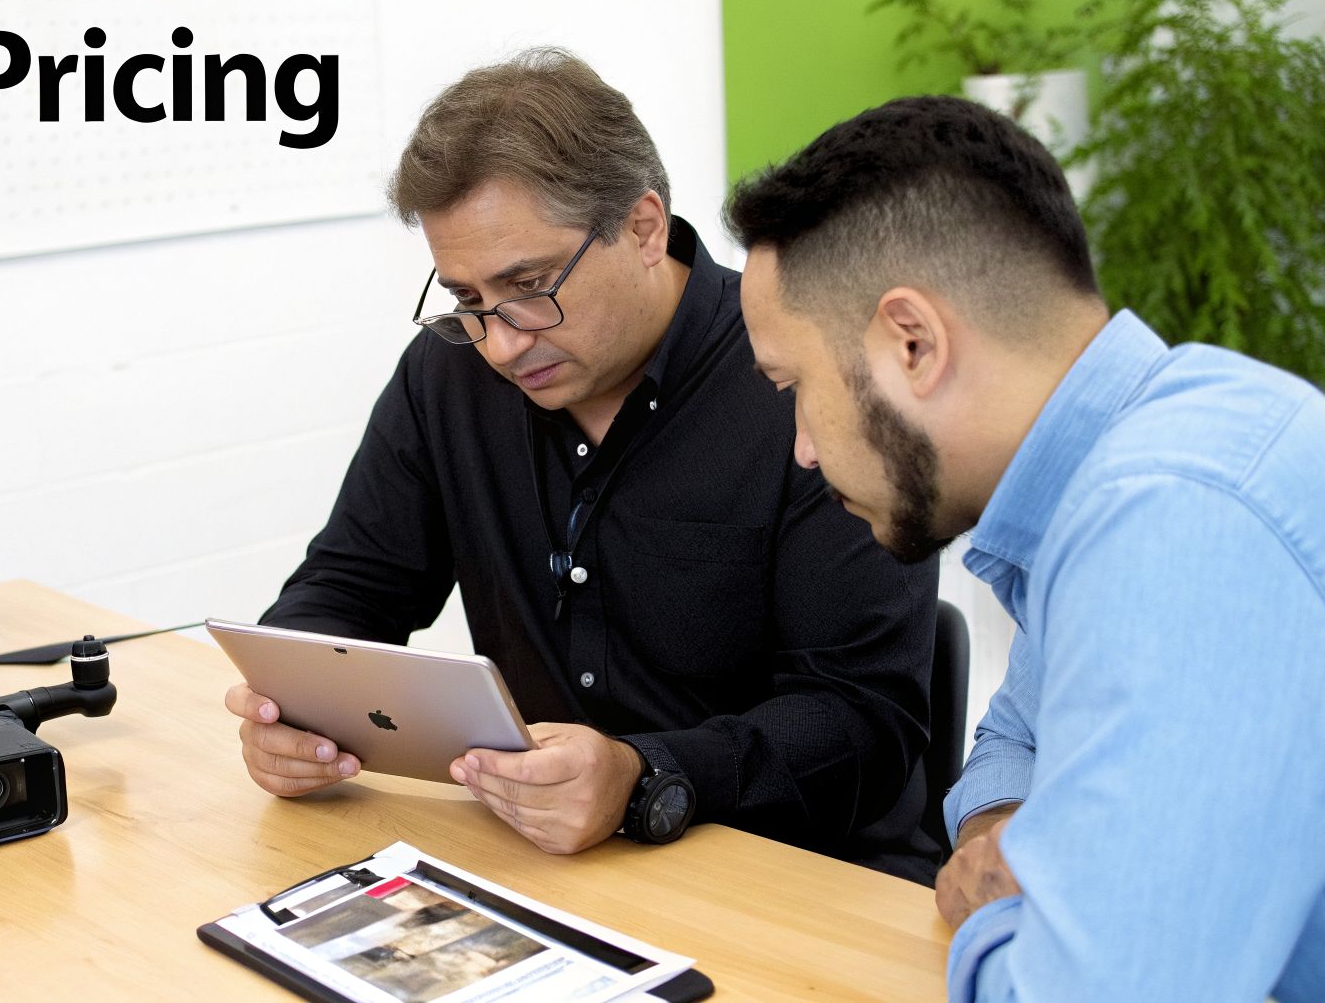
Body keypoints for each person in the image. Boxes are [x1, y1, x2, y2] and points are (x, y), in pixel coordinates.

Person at [222, 48, 942, 881]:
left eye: (528, 285)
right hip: (551, 866)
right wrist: (290, 710)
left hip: (800, 876)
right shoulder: (447, 376)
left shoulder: (803, 380)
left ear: (641, 228)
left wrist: (646, 774)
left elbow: (865, 723)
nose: (499, 342)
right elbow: (349, 586)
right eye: (465, 300)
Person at [727, 94, 1325, 1001]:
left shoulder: (1181, 527)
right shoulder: (1139, 455)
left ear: (911, 342)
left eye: (792, 384)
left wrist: (1003, 912)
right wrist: (1014, 840)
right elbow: (1015, 736)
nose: (800, 446)